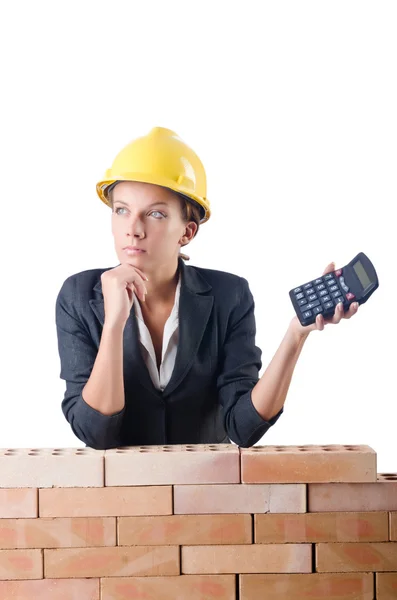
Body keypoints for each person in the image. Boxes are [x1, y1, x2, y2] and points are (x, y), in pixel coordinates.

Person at [55, 126, 359, 450]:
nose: (134, 230)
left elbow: (243, 428)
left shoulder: (229, 296)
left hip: (207, 492)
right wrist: (113, 325)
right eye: (122, 210)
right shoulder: (78, 297)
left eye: (155, 213)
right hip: (119, 494)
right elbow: (95, 433)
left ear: (187, 232)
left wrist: (296, 334)